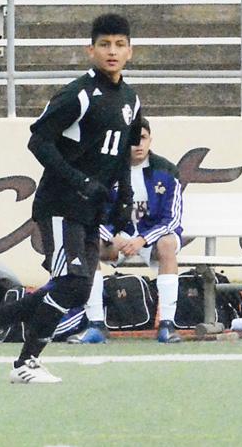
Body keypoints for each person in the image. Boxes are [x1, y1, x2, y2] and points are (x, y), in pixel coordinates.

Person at [0, 14, 142, 384]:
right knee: (69, 282)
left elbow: (123, 154)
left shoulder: (130, 100)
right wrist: (79, 179)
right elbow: (38, 139)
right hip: (60, 204)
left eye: (119, 44)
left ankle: (22, 361)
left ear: (130, 51)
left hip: (89, 210)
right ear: (91, 50)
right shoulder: (79, 94)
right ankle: (10, 346)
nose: (112, 51)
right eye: (104, 44)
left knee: (78, 288)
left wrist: (124, 198)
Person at [67, 118, 184, 345]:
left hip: (153, 239)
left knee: (168, 244)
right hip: (118, 238)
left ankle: (167, 325)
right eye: (132, 140)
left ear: (150, 139)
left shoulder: (167, 171)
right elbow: (91, 213)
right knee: (90, 245)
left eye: (142, 138)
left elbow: (172, 219)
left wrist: (142, 239)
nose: (138, 145)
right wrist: (113, 237)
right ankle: (96, 325)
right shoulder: (106, 171)